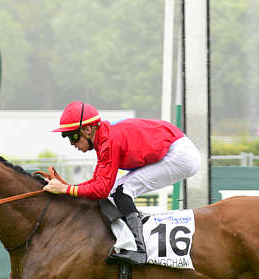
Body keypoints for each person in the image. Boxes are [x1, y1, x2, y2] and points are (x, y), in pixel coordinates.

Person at [43, 101, 200, 265]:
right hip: (175, 148)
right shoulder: (104, 139)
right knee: (116, 192)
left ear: (88, 130)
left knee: (121, 191)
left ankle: (139, 250)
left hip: (180, 155)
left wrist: (65, 189)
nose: (71, 143)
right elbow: (98, 183)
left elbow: (101, 190)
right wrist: (67, 187)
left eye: (73, 136)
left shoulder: (109, 141)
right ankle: (132, 242)